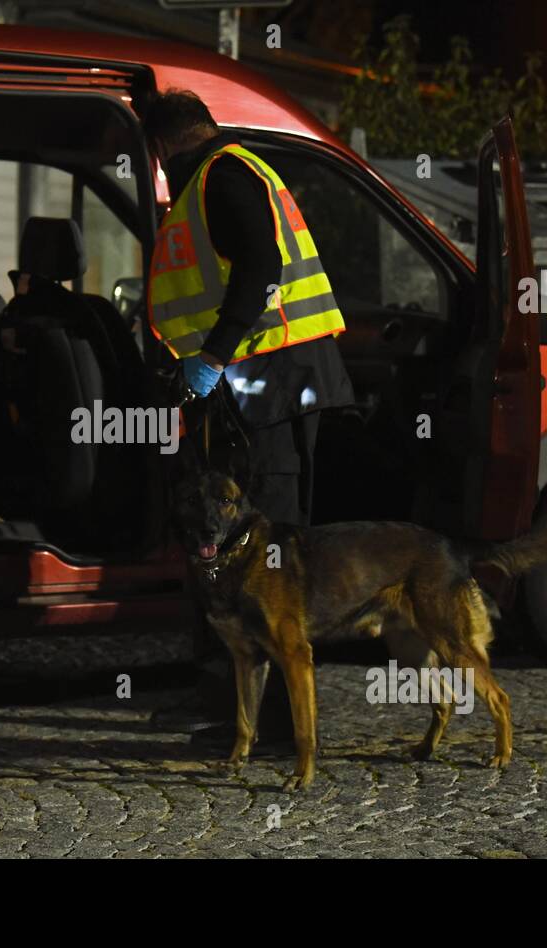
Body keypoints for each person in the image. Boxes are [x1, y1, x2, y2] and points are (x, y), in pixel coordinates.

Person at [144, 89, 356, 741]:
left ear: (165, 146)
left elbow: (260, 266)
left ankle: (276, 725)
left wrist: (213, 353)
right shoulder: (227, 172)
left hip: (272, 376)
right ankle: (224, 697)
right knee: (240, 542)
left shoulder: (222, 174)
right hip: (264, 379)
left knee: (268, 548)